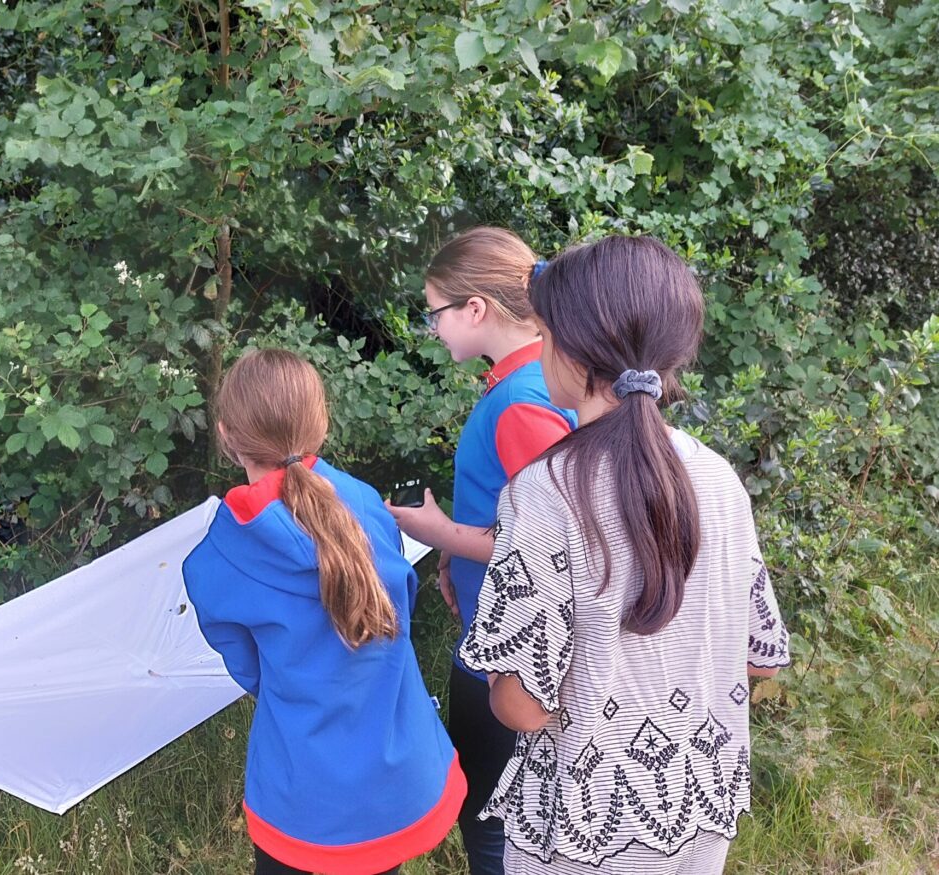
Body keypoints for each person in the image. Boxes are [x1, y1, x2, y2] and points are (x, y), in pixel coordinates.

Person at [458, 235, 792, 874]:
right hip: (696, 805)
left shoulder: (545, 492)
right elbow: (763, 659)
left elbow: (522, 704)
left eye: (545, 331)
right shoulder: (719, 477)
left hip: (585, 830)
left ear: (575, 352)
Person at [183, 348, 465, 875]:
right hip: (391, 779)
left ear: (226, 436)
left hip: (301, 794)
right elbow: (396, 606)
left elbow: (251, 672)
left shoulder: (218, 558)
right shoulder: (365, 504)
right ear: (322, 424)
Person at [385, 226, 576, 875]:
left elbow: (550, 543)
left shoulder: (523, 403)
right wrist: (454, 552)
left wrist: (437, 531)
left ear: (475, 309)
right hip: (501, 639)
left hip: (513, 655)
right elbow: (512, 512)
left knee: (496, 829)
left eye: (435, 311)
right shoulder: (528, 381)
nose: (432, 328)